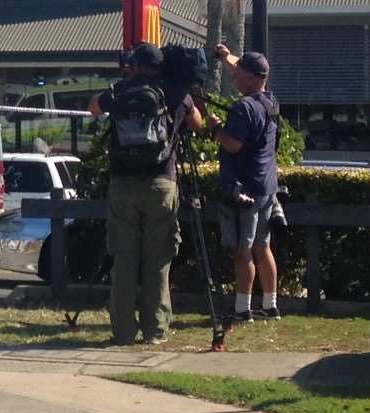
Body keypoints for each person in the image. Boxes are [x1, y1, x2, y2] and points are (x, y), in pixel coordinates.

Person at [89, 44, 202, 346]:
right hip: (162, 185)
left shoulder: (119, 91)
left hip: (122, 184)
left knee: (124, 260)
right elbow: (197, 123)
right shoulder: (175, 93)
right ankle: (155, 330)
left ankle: (123, 331)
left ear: (134, 65)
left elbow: (93, 107)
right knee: (158, 260)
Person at [201, 45, 282, 327]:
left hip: (245, 188)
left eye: (239, 73)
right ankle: (270, 305)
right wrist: (226, 57)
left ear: (250, 77)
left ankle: (242, 309)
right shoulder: (269, 101)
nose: (234, 77)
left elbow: (232, 145)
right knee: (263, 246)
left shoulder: (243, 108)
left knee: (243, 250)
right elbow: (243, 69)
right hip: (266, 186)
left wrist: (214, 128)